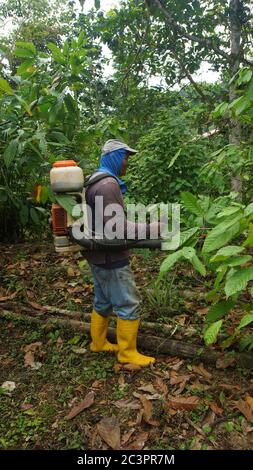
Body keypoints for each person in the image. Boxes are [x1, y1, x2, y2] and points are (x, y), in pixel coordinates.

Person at [85, 139, 156, 366]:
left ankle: (98, 343)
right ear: (114, 157)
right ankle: (127, 353)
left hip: (98, 254)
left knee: (103, 300)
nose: (127, 162)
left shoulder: (95, 180)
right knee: (128, 302)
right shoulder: (107, 185)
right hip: (110, 256)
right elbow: (117, 228)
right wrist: (151, 229)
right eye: (125, 157)